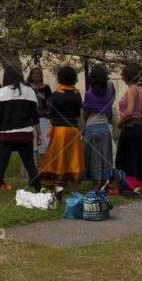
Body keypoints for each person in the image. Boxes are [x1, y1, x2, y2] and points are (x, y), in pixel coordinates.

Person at [0, 66, 42, 205]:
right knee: (31, 166)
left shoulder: (2, 92)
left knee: (1, 167)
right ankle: (40, 192)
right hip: (25, 134)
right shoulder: (29, 91)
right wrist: (39, 133)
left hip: (6, 135)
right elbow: (35, 117)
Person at [38, 63, 84, 200]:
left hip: (60, 129)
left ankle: (59, 185)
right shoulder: (77, 94)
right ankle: (75, 186)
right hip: (73, 129)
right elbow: (77, 114)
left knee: (59, 157)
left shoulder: (57, 94)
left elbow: (50, 114)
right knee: (73, 157)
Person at [115, 62, 142, 194]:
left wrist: (120, 122)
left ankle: (129, 184)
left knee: (127, 157)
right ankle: (139, 182)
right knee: (137, 156)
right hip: (139, 126)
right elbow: (141, 112)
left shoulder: (131, 91)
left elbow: (129, 111)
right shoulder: (141, 91)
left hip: (130, 126)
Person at [82, 63, 114, 191]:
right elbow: (108, 113)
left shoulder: (89, 94)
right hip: (104, 127)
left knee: (92, 157)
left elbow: (85, 113)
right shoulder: (108, 94)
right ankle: (103, 182)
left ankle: (94, 185)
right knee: (104, 156)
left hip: (91, 127)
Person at [27, 66, 53, 147]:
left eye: (38, 73)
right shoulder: (28, 88)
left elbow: (50, 102)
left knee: (45, 140)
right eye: (34, 74)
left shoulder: (46, 88)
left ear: (41, 75)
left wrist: (48, 113)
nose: (36, 76)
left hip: (43, 117)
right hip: (31, 118)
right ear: (31, 76)